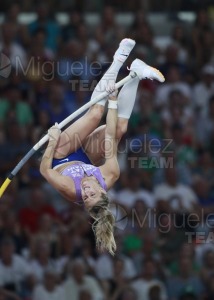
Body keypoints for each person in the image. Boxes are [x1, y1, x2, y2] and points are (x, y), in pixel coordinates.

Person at [40, 38, 165, 255]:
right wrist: (113, 102)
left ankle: (118, 60)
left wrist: (51, 141)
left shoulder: (71, 190)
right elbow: (109, 138)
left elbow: (45, 170)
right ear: (102, 190)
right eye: (92, 194)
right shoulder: (110, 174)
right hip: (86, 156)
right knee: (120, 129)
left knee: (96, 113)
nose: (86, 192)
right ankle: (135, 72)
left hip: (60, 155)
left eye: (85, 197)